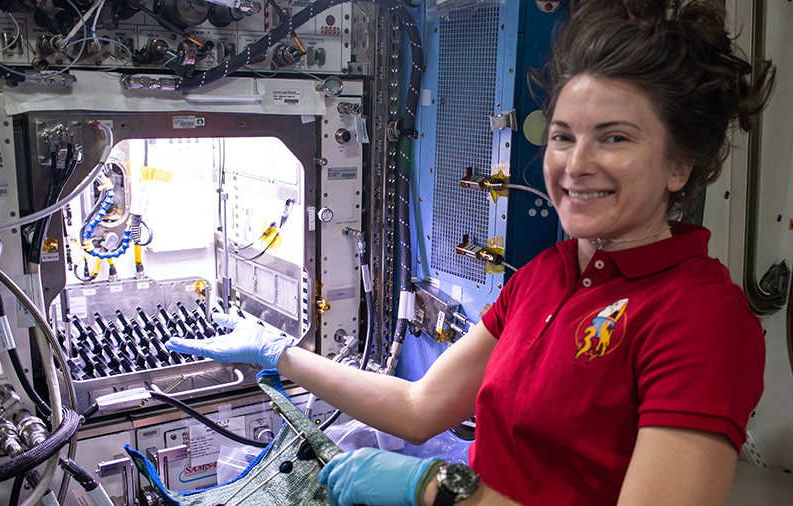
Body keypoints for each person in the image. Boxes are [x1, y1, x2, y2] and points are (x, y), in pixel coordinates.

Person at [168, 0, 776, 504]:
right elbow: (419, 406)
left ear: (679, 165)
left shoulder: (701, 318)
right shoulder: (548, 275)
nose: (576, 164)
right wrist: (281, 355)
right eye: (563, 137)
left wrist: (439, 487)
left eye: (614, 138)